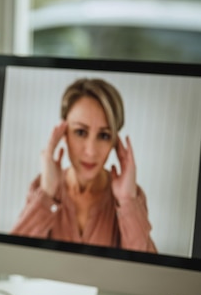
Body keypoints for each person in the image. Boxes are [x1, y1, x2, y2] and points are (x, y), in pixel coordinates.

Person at [11, 77, 157, 253]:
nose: (91, 151)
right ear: (63, 134)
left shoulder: (130, 197)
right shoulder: (43, 189)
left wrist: (127, 201)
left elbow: (144, 273)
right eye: (80, 132)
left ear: (114, 142)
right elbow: (12, 255)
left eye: (103, 136)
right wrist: (47, 193)